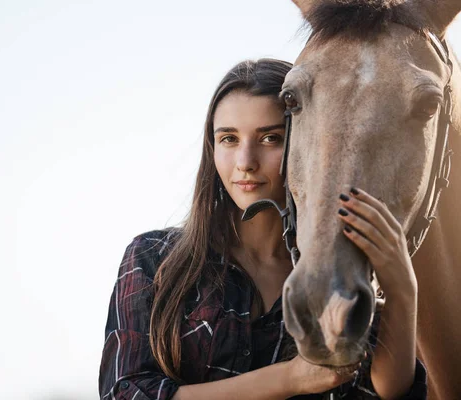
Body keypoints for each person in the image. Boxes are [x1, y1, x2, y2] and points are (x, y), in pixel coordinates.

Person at [98, 59, 427, 399]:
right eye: (228, 139)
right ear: (212, 148)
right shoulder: (153, 259)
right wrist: (291, 378)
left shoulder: (332, 276)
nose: (245, 161)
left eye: (270, 138)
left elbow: (385, 393)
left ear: (307, 145)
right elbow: (127, 392)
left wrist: (402, 289)